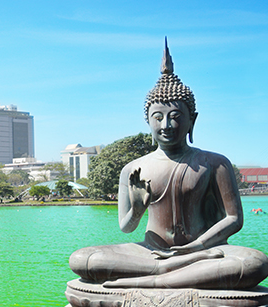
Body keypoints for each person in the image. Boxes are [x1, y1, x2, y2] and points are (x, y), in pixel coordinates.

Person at [69, 42, 268, 290]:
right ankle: (163, 271)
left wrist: (196, 247)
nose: (166, 125)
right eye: (158, 118)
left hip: (206, 250)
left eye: (175, 117)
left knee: (255, 263)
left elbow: (234, 218)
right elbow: (126, 227)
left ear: (191, 120)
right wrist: (138, 209)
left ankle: (155, 279)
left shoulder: (214, 163)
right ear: (147, 121)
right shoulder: (133, 169)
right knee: (82, 259)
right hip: (151, 253)